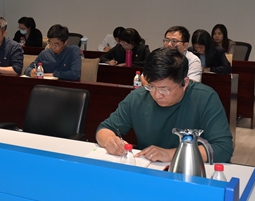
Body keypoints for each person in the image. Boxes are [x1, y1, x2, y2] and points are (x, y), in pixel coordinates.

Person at [96, 48, 233, 164]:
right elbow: (104, 129)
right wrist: (110, 141)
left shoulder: (205, 98)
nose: (157, 95)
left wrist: (172, 154)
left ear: (184, 83)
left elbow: (223, 149)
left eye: (164, 89)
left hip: (191, 172)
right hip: (150, 170)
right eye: (151, 86)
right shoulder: (138, 98)